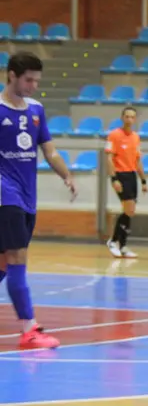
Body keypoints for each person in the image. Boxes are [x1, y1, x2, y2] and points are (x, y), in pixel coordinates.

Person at [0, 51, 77, 349]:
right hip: (6, 197)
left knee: (3, 264)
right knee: (17, 259)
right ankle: (29, 329)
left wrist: (66, 175)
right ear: (12, 76)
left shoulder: (36, 110)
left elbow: (49, 150)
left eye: (36, 81)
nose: (33, 86)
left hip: (27, 197)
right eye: (28, 80)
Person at [105, 107, 148, 259]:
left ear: (135, 119)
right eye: (127, 116)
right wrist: (114, 178)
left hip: (131, 175)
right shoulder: (114, 135)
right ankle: (113, 241)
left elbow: (137, 160)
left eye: (132, 117)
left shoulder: (136, 137)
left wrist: (143, 180)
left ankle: (122, 246)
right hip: (120, 174)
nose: (129, 119)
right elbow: (109, 159)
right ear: (122, 118)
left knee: (130, 211)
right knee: (129, 208)